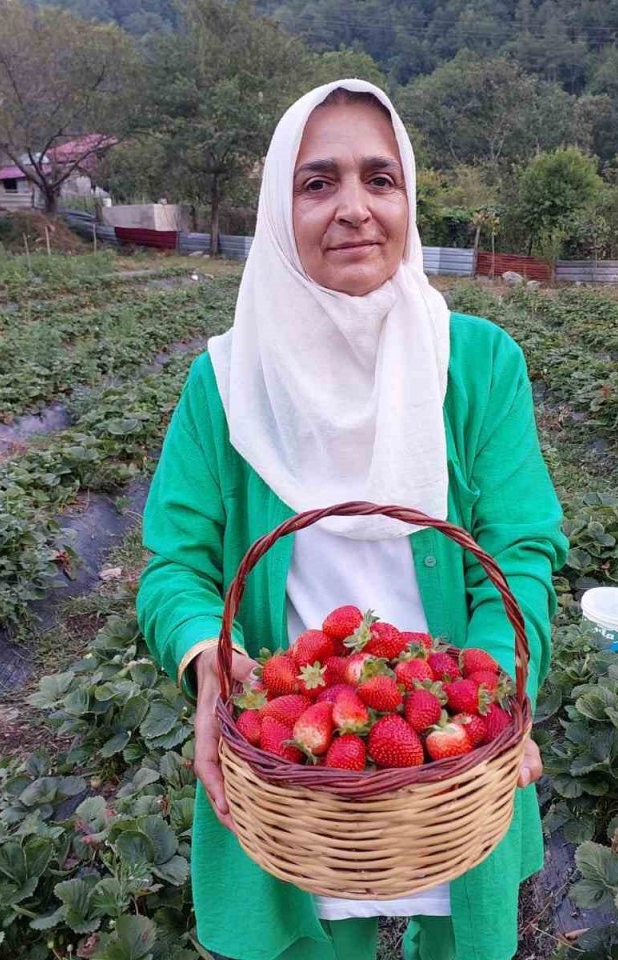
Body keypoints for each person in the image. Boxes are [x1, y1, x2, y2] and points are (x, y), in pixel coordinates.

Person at [136, 79, 568, 960]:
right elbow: (174, 568)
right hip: (294, 767)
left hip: (449, 766)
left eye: (380, 178)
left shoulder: (478, 365)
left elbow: (521, 548)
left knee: (459, 937)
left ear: (408, 197)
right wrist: (207, 657)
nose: (354, 210)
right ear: (277, 209)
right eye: (317, 183)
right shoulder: (224, 387)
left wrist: (489, 686)